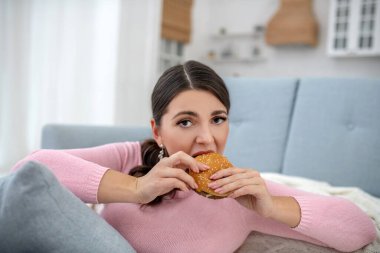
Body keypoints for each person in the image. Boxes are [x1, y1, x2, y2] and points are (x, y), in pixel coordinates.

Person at [11, 60, 376, 252]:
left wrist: (271, 207)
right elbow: (28, 172)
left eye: (218, 119)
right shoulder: (131, 157)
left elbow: (360, 229)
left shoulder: (242, 193)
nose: (207, 138)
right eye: (186, 121)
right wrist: (137, 189)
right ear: (158, 131)